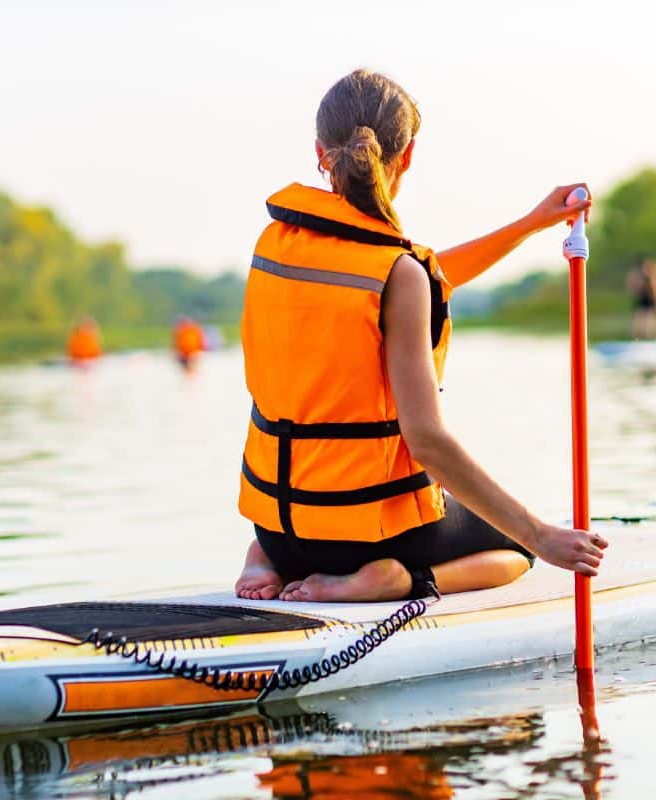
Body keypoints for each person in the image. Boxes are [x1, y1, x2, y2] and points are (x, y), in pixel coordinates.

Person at [234, 69, 607, 604]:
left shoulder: (273, 244)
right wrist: (540, 534)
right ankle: (398, 581)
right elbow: (426, 440)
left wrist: (530, 223)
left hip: (280, 526)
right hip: (363, 541)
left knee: (297, 516)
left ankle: (263, 559)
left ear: (319, 150)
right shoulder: (395, 273)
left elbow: (425, 277)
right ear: (407, 155)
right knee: (513, 551)